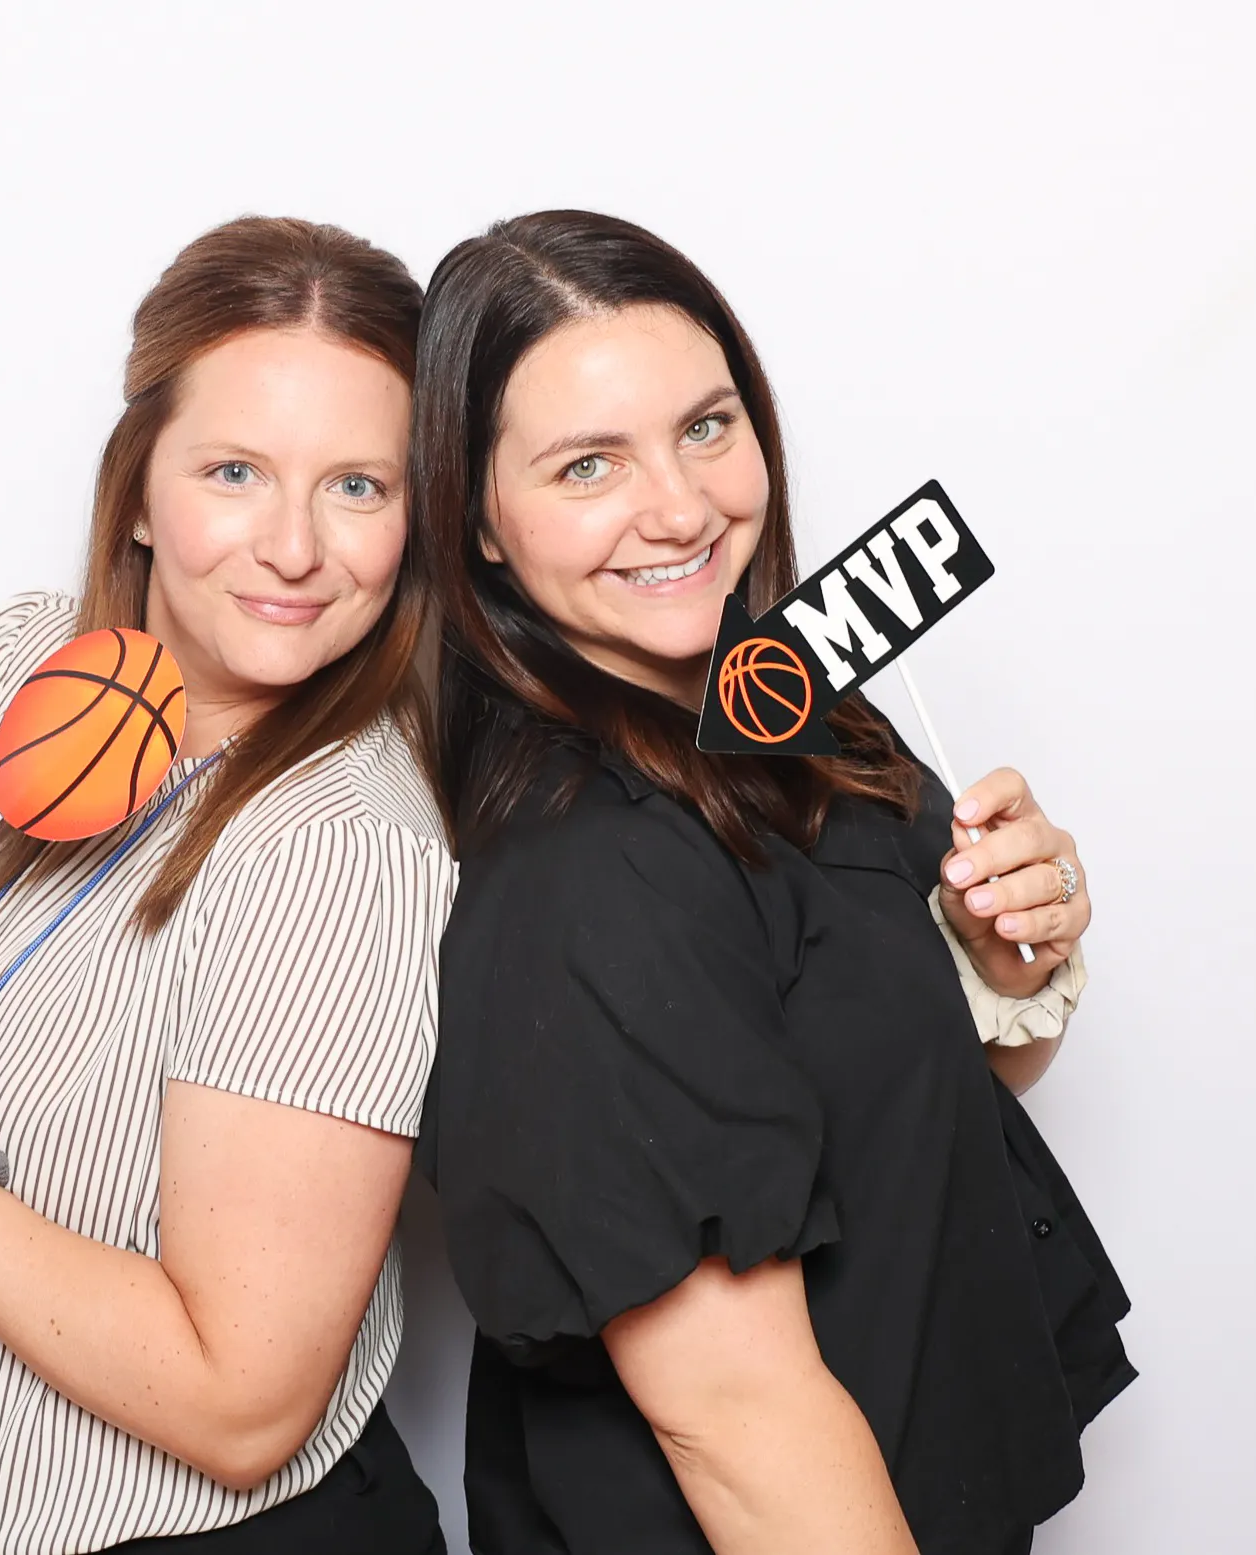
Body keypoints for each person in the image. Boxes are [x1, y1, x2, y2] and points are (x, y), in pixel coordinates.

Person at [410, 210, 1135, 1555]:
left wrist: (1004, 955)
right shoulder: (592, 872)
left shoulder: (790, 705)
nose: (682, 508)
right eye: (588, 466)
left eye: (706, 425)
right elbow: (737, 1421)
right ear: (483, 527)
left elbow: (891, 1104)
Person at [0, 217, 452, 1555]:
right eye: (236, 470)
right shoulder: (17, 664)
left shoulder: (339, 849)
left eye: (357, 486)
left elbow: (245, 1404)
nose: (295, 547)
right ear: (138, 487)